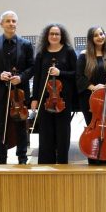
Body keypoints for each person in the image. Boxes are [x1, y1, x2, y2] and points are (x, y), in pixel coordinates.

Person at [0, 11, 34, 165]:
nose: (11, 24)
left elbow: (32, 67)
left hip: (20, 92)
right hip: (0, 91)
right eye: (8, 21)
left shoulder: (26, 44)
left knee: (21, 124)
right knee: (1, 125)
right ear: (1, 24)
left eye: (13, 21)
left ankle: (22, 157)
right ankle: (1, 158)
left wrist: (22, 77)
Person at [31, 23, 77, 164]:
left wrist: (60, 72)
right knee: (46, 132)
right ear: (47, 35)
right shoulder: (42, 53)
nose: (54, 36)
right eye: (52, 34)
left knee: (63, 132)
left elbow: (76, 74)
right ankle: (46, 163)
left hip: (63, 98)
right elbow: (37, 77)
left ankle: (62, 162)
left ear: (61, 36)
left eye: (57, 34)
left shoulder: (69, 51)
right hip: (45, 97)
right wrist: (34, 98)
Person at [76, 26, 106, 165]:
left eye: (101, 34)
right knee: (93, 129)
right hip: (91, 100)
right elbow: (79, 77)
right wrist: (94, 87)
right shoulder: (84, 55)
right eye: (96, 35)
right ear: (91, 39)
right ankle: (93, 158)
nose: (100, 37)